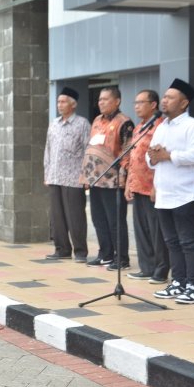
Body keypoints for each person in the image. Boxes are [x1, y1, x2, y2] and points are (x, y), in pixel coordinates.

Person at [148, 78, 194, 304]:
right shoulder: (161, 127)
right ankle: (179, 282)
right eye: (164, 97)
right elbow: (149, 158)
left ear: (183, 104)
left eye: (170, 97)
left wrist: (168, 155)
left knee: (188, 242)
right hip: (165, 194)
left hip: (187, 194)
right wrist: (153, 156)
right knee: (171, 242)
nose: (164, 100)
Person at [80, 87, 134, 271]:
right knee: (98, 219)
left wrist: (123, 178)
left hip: (113, 181)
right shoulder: (96, 121)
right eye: (99, 100)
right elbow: (89, 149)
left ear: (117, 101)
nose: (100, 102)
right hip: (95, 180)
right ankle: (105, 254)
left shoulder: (125, 122)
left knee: (115, 221)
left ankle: (122, 258)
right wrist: (85, 175)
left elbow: (127, 152)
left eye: (105, 99)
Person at [124, 90, 169, 283]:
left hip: (152, 188)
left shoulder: (160, 127)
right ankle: (146, 267)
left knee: (156, 231)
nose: (136, 106)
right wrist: (128, 183)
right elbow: (133, 157)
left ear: (153, 105)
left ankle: (160, 270)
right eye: (135, 102)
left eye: (141, 102)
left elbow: (160, 160)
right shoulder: (140, 127)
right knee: (141, 230)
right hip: (137, 185)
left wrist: (155, 186)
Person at [43, 87, 91, 262]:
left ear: (73, 104)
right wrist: (47, 172)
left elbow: (88, 150)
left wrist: (87, 176)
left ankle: (80, 251)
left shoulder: (82, 124)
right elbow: (47, 150)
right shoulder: (53, 124)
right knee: (57, 217)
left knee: (75, 216)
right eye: (58, 102)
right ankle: (61, 249)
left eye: (63, 102)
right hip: (55, 176)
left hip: (73, 178)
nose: (59, 105)